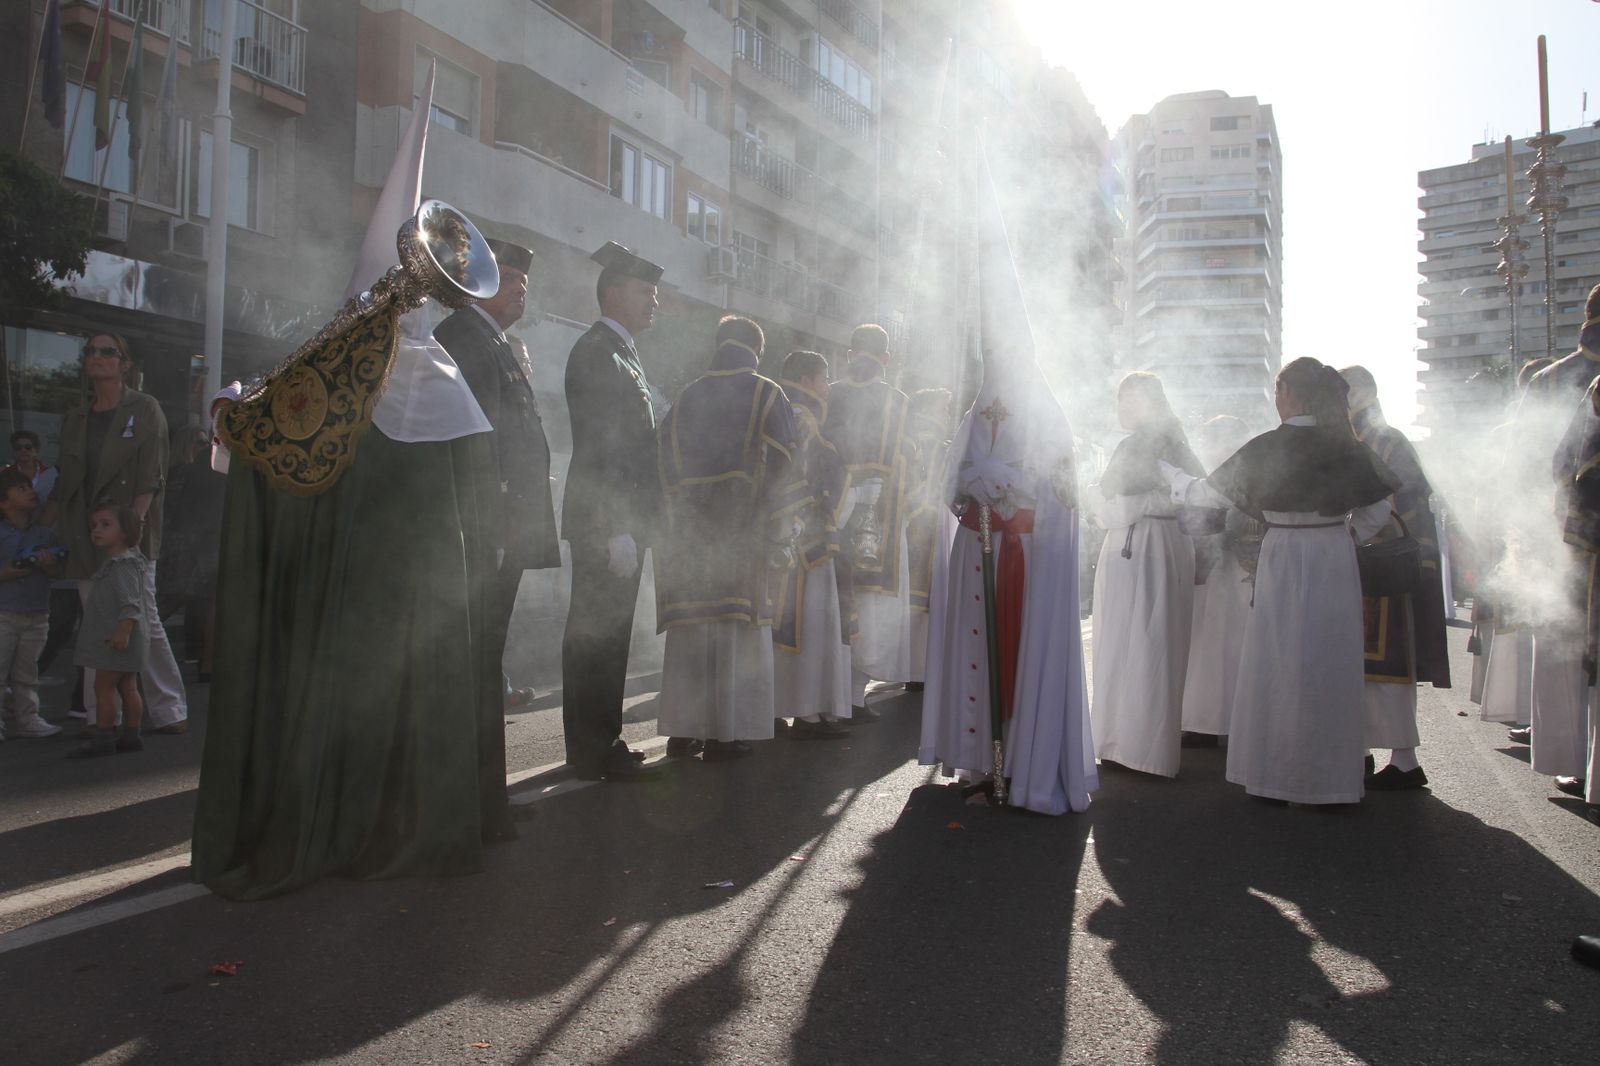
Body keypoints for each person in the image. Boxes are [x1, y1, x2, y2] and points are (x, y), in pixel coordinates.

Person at [192, 98, 510, 897]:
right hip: (418, 595)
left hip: (368, 592)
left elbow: (274, 436)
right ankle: (417, 822)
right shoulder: (415, 370)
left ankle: (347, 823)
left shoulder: (382, 366)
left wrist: (235, 409)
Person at [918, 144, 1096, 815]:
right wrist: (970, 482)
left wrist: (1008, 485)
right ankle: (975, 763)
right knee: (973, 651)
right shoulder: (975, 408)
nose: (996, 357)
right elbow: (948, 479)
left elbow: (1061, 487)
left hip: (1022, 553)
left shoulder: (1047, 412)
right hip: (977, 550)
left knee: (1017, 659)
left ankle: (1021, 765)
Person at [1166, 358, 1399, 806]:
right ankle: (1330, 783)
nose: (1276, 399)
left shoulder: (1267, 446)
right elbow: (1378, 511)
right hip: (1332, 554)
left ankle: (1272, 776)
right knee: (1330, 662)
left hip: (1283, 552)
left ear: (1289, 393)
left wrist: (1171, 476)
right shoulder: (1346, 446)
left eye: (1277, 390)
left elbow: (1207, 495)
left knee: (1276, 660)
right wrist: (1344, 537)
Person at [654, 317, 801, 758]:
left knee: (692, 633)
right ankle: (727, 734)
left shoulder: (685, 397)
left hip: (688, 538)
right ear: (757, 350)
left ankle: (684, 731)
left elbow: (661, 465)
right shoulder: (766, 392)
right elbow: (787, 465)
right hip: (742, 536)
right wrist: (782, 529)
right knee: (735, 632)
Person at [434, 238, 561, 715]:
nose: (520, 289)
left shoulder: (491, 339)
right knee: (475, 640)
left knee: (488, 640)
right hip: (491, 522)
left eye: (524, 282)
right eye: (508, 279)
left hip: (506, 519)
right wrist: (493, 523)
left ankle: (480, 737)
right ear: (477, 282)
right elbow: (476, 440)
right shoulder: (468, 336)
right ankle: (471, 743)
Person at [42, 333, 186, 735]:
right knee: (95, 621)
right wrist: (41, 527)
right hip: (87, 533)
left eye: (108, 351)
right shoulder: (76, 418)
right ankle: (101, 718)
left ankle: (170, 709)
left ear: (125, 365)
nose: (96, 356)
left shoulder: (145, 408)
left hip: (129, 533)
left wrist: (132, 531)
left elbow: (151, 475)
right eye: (90, 351)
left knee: (144, 618)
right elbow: (65, 482)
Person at [561, 241, 664, 781]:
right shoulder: (597, 351)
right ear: (614, 292)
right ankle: (591, 747)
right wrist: (613, 526)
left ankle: (602, 740)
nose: (654, 301)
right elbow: (602, 447)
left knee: (611, 633)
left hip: (624, 519)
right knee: (594, 632)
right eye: (646, 291)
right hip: (607, 520)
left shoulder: (622, 352)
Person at [1339, 365, 1452, 790]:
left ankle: (1405, 760)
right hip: (1362, 563)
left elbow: (1403, 502)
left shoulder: (1388, 440)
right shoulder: (1361, 439)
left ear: (1360, 396)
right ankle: (1362, 750)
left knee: (1388, 668)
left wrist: (1357, 532)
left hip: (1383, 567)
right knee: (1357, 667)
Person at [1089, 372, 1202, 779]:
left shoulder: (1137, 445)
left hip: (1137, 549)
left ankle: (1125, 745)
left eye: (1126, 399)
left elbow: (1117, 507)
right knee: (1155, 645)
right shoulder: (1177, 442)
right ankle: (1142, 748)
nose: (1120, 408)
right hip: (1168, 546)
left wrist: (1091, 500)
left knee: (1130, 643)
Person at [1517, 286, 1600, 798]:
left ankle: (1574, 758)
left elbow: (1532, 463)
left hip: (1565, 536)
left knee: (1567, 645)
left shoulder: (1551, 379)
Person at [825, 324, 917, 720]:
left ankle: (832, 696)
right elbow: (907, 464)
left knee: (833, 601)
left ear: (849, 354)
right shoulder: (897, 400)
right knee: (868, 606)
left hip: (831, 514)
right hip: (878, 520)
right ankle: (851, 696)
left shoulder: (828, 394)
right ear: (887, 359)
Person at [773, 350, 853, 739]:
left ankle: (779, 707)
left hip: (792, 533)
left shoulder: (785, 411)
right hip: (807, 538)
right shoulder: (801, 416)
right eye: (824, 377)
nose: (827, 386)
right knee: (807, 624)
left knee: (787, 624)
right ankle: (805, 710)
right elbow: (798, 472)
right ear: (806, 380)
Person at [1180, 414, 1253, 743]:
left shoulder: (1242, 473)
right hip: (1213, 568)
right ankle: (1204, 721)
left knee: (1228, 644)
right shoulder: (1212, 473)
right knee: (1207, 645)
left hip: (1236, 567)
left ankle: (1224, 722)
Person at [69, 504, 149, 757]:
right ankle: (131, 735)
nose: (97, 530)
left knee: (104, 687)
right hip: (123, 638)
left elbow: (130, 603)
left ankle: (103, 737)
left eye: (106, 525)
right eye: (94, 525)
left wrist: (122, 632)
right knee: (128, 686)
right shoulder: (125, 562)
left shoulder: (122, 565)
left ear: (125, 531)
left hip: (114, 639)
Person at [0, 470, 64, 740]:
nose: (31, 491)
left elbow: (57, 573)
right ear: (4, 502)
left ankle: (28, 718)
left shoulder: (44, 534)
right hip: (4, 612)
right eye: (21, 488)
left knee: (28, 672)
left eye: (29, 486)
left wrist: (49, 566)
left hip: (37, 613)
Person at [905, 387, 955, 689]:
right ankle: (919, 669)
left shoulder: (912, 438)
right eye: (943, 409)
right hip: (927, 525)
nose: (947, 416)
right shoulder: (935, 445)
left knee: (916, 596)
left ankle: (915, 668)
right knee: (924, 596)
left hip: (914, 524)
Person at [2, 430, 58, 502]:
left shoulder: (50, 474)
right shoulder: (5, 475)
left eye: (28, 447)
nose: (23, 450)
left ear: (36, 450)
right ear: (14, 451)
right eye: (18, 447)